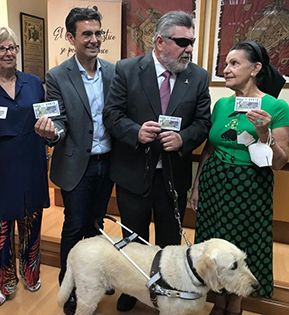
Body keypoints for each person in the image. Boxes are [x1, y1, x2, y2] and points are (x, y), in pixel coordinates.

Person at [103, 11, 211, 312]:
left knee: (168, 241)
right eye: (182, 42)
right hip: (132, 173)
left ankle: (168, 289)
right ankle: (132, 288)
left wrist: (184, 139)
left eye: (191, 42)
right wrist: (135, 132)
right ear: (160, 41)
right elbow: (111, 116)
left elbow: (203, 123)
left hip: (173, 178)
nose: (189, 49)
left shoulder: (198, 77)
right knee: (133, 240)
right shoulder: (126, 70)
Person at [191, 41, 289, 315]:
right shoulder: (222, 104)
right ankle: (217, 299)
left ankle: (235, 302)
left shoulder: (276, 106)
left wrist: (264, 133)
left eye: (234, 64)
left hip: (250, 186)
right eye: (225, 64)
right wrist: (197, 184)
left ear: (256, 68)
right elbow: (210, 147)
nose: (226, 69)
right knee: (214, 243)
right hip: (215, 182)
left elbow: (280, 163)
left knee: (242, 245)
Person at [34, 7, 115, 315]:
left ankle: (92, 279)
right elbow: (58, 119)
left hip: (107, 162)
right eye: (87, 34)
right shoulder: (57, 76)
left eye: (97, 33)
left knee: (97, 226)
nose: (94, 40)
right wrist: (52, 132)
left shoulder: (112, 71)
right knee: (74, 226)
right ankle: (69, 288)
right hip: (75, 166)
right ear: (71, 37)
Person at [0, 25, 50, 306]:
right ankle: (4, 282)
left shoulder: (33, 82)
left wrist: (49, 131)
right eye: (1, 48)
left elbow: (45, 118)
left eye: (12, 47)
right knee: (2, 231)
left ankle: (31, 273)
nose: (9, 53)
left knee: (32, 224)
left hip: (30, 164)